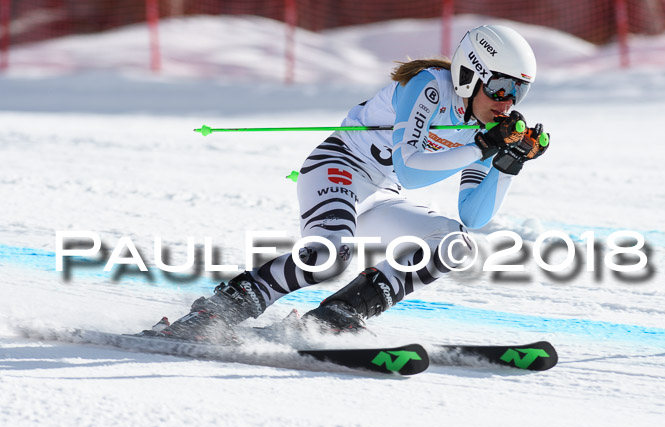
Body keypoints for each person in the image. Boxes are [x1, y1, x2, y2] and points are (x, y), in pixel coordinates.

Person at [145, 24, 550, 342]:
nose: (508, 100)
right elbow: (410, 168)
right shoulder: (428, 85)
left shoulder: (483, 128)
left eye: (520, 91)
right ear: (469, 74)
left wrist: (507, 162)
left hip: (380, 197)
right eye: (501, 86)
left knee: (456, 244)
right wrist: (482, 148)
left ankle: (339, 314)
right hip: (339, 169)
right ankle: (217, 312)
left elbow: (473, 214)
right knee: (328, 255)